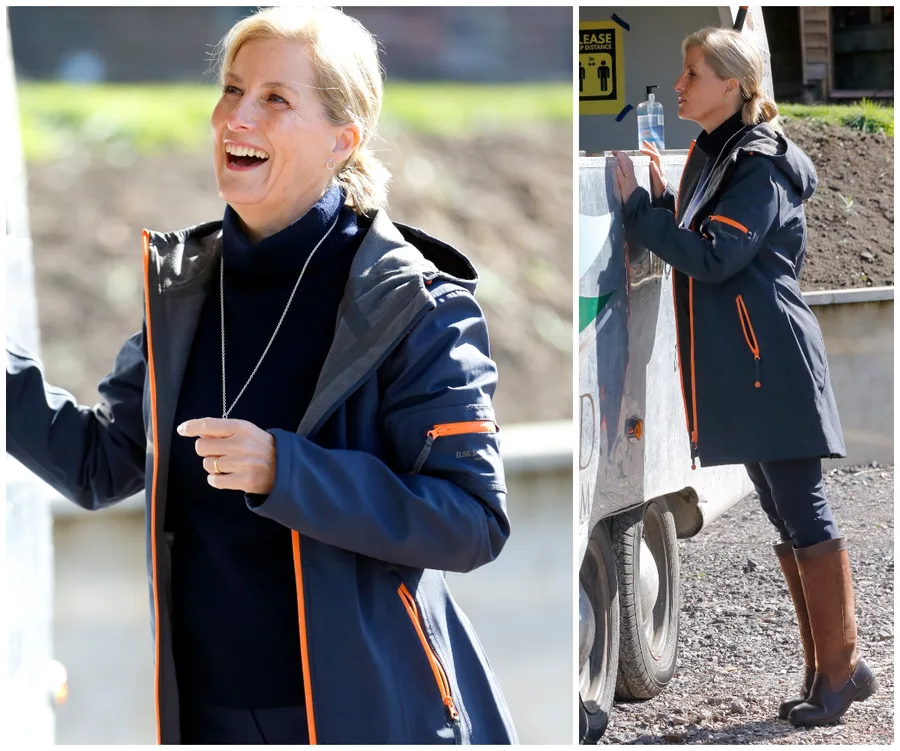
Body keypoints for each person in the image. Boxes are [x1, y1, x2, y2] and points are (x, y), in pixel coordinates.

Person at [6, 6, 516, 745]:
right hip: (205, 718)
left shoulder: (414, 303)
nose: (237, 117)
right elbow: (101, 463)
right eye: (232, 89)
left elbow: (472, 520)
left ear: (343, 140)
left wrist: (287, 470)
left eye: (276, 98)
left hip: (367, 722)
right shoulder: (183, 289)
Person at [611, 27, 877, 727]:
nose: (678, 85)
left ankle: (839, 672)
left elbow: (716, 256)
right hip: (753, 363)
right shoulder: (717, 151)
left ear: (732, 85)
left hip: (774, 361)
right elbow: (700, 239)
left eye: (692, 73)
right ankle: (835, 668)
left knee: (803, 511)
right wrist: (662, 203)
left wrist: (641, 217)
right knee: (786, 513)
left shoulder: (759, 161)